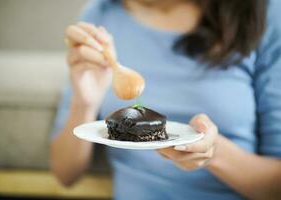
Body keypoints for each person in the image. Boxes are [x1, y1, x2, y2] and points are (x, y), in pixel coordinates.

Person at [50, 0, 281, 199]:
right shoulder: (101, 17)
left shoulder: (265, 13)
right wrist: (85, 102)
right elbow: (65, 174)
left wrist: (214, 152)